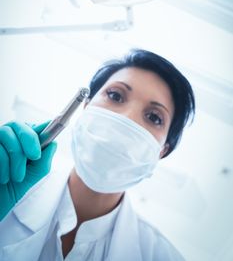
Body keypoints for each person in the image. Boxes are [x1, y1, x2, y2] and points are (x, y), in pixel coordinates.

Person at [0, 48, 195, 261]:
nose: (128, 119)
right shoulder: (10, 193)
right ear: (86, 107)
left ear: (162, 151)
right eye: (115, 95)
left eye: (154, 117)